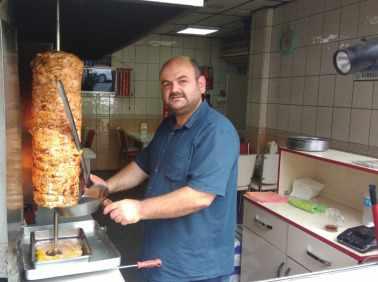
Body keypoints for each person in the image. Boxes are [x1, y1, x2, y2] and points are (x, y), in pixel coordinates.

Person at [91, 56, 239, 282]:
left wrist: (139, 209)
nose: (174, 89)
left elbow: (199, 196)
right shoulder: (168, 126)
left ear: (201, 85)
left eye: (182, 81)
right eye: (166, 84)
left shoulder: (217, 131)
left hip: (195, 268)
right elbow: (142, 166)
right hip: (160, 254)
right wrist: (107, 186)